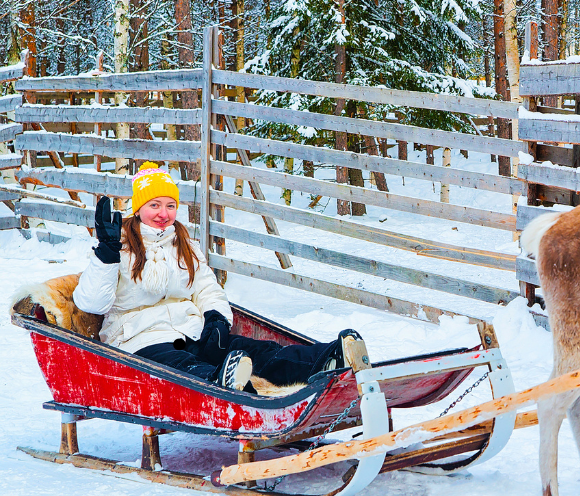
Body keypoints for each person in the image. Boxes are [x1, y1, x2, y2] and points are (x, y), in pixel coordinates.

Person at [73, 162, 369, 392]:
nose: (163, 213)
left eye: (170, 205)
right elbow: (92, 303)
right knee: (184, 366)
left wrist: (215, 319)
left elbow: (206, 288)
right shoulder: (119, 244)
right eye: (154, 205)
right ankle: (226, 383)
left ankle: (328, 359)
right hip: (141, 340)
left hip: (190, 329)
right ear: (139, 209)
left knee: (259, 351)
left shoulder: (183, 244)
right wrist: (107, 254)